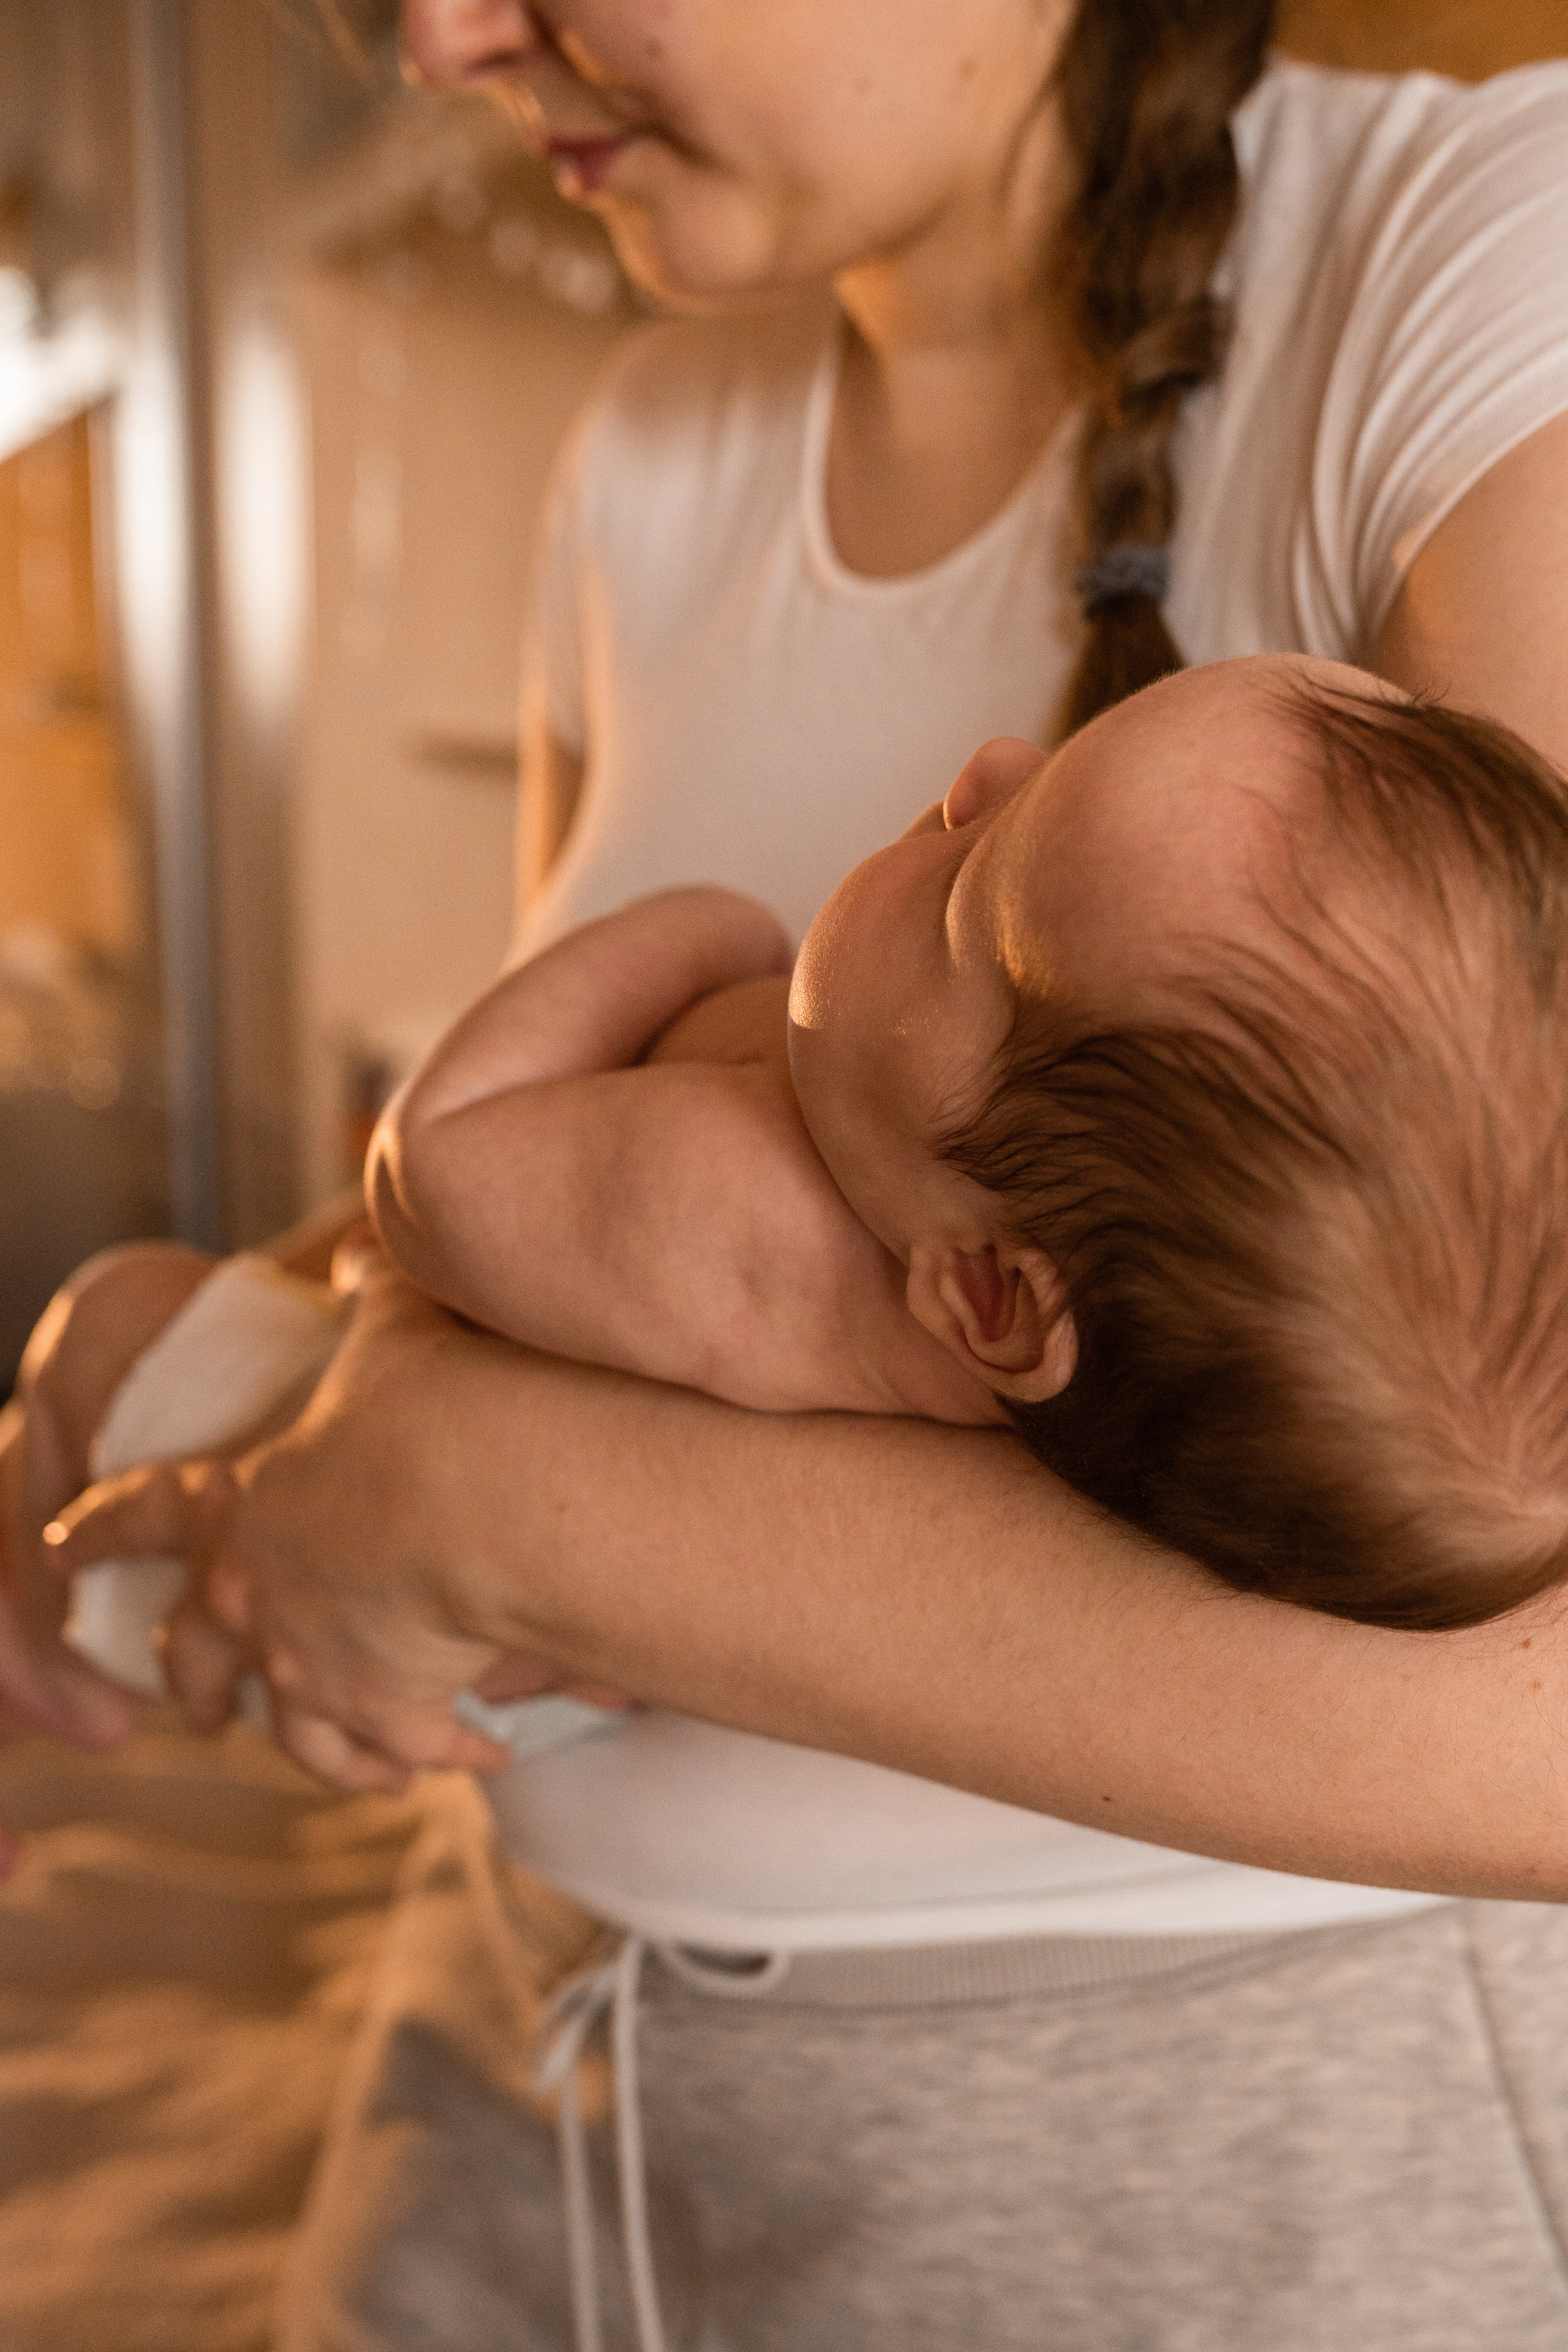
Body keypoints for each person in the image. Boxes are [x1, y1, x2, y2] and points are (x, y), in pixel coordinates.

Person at [17, 4, 1568, 2345]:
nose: (439, 37)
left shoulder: (1489, 275)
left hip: (1162, 2163)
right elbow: (478, 1222)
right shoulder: (653, 453)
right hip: (538, 2027)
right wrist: (219, 1374)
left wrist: (489, 1513)